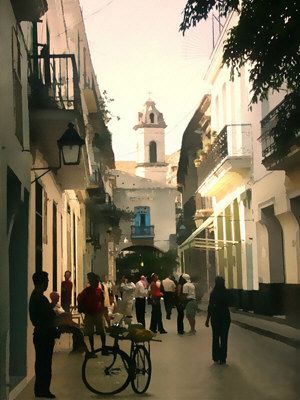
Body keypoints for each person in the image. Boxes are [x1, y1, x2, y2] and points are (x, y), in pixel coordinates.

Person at [29, 271, 58, 399]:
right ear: (41, 282)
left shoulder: (38, 297)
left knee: (42, 363)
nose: (47, 283)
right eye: (46, 281)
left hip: (42, 334)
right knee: (44, 364)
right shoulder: (39, 298)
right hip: (43, 335)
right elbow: (46, 317)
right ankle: (43, 390)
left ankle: (41, 389)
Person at [77, 272, 107, 355]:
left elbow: (102, 301)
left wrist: (103, 311)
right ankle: (93, 350)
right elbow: (79, 298)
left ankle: (103, 348)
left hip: (98, 313)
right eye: (95, 282)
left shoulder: (99, 291)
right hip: (89, 313)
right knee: (91, 333)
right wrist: (82, 308)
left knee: (101, 331)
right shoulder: (87, 291)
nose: (97, 283)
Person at [205, 276, 231, 364]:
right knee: (224, 338)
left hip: (215, 317)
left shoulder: (213, 293)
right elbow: (230, 303)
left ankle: (216, 356)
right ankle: (223, 358)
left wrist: (207, 319)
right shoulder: (226, 292)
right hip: (225, 316)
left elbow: (210, 306)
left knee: (215, 337)